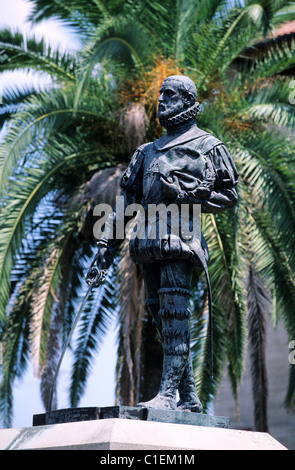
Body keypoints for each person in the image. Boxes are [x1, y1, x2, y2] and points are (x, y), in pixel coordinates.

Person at [87, 75, 239, 411]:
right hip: (148, 242)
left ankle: (168, 396)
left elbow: (229, 195)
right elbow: (127, 204)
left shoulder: (208, 147)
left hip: (179, 241)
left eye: (168, 94)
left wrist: (190, 197)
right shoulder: (147, 152)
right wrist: (105, 246)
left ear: (187, 101)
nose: (161, 100)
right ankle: (189, 397)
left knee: (174, 315)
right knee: (161, 316)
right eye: (160, 94)